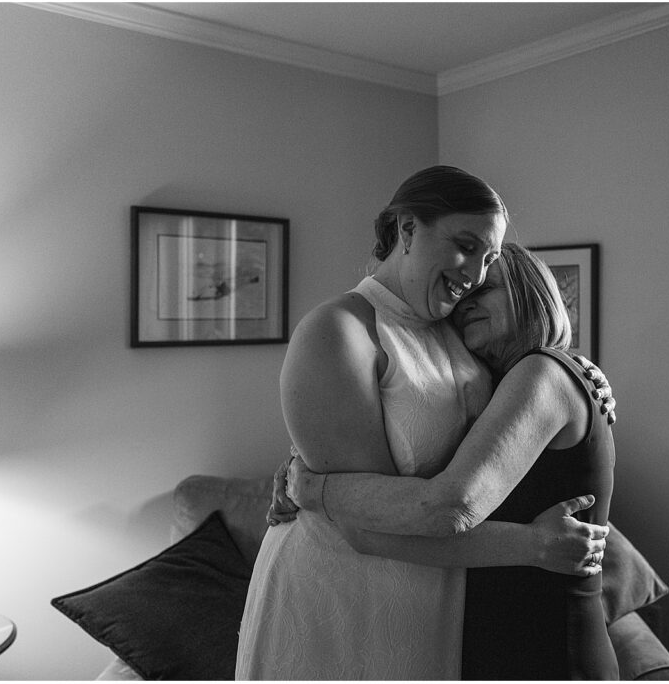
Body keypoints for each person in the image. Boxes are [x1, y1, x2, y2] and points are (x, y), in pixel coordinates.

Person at [235, 167, 609, 681]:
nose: (475, 276)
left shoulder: (459, 333)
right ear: (407, 230)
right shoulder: (336, 330)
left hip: (441, 599)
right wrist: (303, 476)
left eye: (491, 261)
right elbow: (367, 520)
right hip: (340, 598)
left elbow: (492, 444)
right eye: (465, 245)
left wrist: (579, 371)